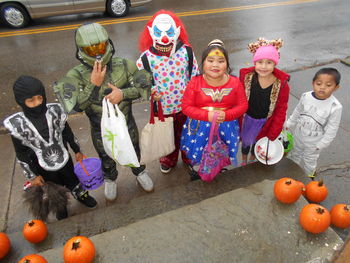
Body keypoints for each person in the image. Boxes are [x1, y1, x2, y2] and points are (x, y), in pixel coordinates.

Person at [54, 23, 154, 201]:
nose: (97, 53)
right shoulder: (75, 75)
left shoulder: (124, 65)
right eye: (90, 49)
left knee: (134, 150)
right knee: (105, 155)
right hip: (99, 128)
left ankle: (139, 171)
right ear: (81, 49)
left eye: (100, 46)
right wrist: (94, 84)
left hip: (127, 123)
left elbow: (145, 86)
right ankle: (110, 178)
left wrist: (123, 93)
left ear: (108, 43)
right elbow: (73, 107)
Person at [4, 75, 97, 220]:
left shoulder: (55, 111)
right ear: (22, 101)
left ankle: (81, 195)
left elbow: (67, 133)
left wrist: (77, 150)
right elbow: (21, 153)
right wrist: (32, 175)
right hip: (41, 165)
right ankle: (60, 205)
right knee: (54, 188)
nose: (36, 103)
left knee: (72, 179)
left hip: (64, 157)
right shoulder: (18, 125)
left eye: (39, 98)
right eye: (31, 101)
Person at [136, 10, 199, 174]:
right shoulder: (145, 59)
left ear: (177, 31)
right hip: (162, 109)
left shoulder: (187, 52)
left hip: (186, 106)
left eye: (169, 32)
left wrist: (194, 96)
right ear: (152, 32)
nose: (164, 37)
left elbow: (194, 76)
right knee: (166, 138)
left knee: (187, 135)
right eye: (159, 32)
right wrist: (150, 93)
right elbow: (141, 84)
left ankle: (188, 157)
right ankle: (168, 160)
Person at [180, 39, 248, 180]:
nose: (215, 65)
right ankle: (198, 169)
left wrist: (227, 114)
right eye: (210, 60)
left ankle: (217, 166)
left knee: (220, 151)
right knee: (199, 151)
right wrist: (207, 115)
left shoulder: (235, 83)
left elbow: (242, 106)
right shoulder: (195, 82)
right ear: (203, 63)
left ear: (227, 64)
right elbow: (186, 107)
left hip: (226, 126)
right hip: (199, 127)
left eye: (221, 61)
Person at [239, 38, 290, 165]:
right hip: (248, 119)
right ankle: (244, 159)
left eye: (269, 62)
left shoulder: (281, 85)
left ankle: (253, 157)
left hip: (265, 123)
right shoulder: (247, 78)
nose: (263, 66)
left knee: (258, 143)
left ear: (275, 64)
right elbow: (237, 98)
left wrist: (274, 132)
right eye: (260, 62)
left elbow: (281, 110)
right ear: (254, 63)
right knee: (245, 142)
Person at [285, 68, 342, 179]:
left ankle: (309, 178)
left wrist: (322, 144)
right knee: (294, 154)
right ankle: (291, 174)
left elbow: (332, 128)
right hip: (299, 134)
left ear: (336, 87)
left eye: (328, 85)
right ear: (313, 83)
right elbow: (298, 110)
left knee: (309, 160)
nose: (322, 87)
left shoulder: (335, 106)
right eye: (319, 83)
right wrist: (289, 123)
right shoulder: (306, 96)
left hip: (315, 141)